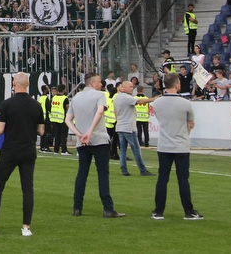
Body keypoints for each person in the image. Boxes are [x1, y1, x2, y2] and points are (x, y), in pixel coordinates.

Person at [0, 72, 44, 238]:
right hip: (28, 150)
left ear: (14, 84)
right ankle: (26, 227)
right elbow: (41, 131)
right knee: (27, 189)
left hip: (10, 150)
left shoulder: (7, 104)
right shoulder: (36, 105)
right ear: (28, 84)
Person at [66, 72, 124, 218]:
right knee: (103, 174)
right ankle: (107, 208)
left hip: (82, 141)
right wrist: (90, 132)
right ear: (92, 83)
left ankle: (77, 207)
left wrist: (80, 134)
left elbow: (67, 119)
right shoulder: (100, 95)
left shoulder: (76, 97)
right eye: (99, 81)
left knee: (82, 173)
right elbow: (99, 112)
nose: (101, 84)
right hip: (98, 139)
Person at [151, 73, 204, 220]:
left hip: (164, 145)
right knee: (183, 179)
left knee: (162, 178)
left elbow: (160, 119)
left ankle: (158, 211)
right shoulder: (185, 103)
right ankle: (188, 211)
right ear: (177, 84)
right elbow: (191, 123)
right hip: (181, 145)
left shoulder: (158, 102)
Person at [112, 80, 154, 177]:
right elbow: (139, 101)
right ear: (123, 88)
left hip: (120, 126)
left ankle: (124, 170)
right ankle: (142, 170)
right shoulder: (127, 97)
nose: (132, 88)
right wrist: (153, 99)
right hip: (128, 127)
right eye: (130, 87)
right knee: (136, 149)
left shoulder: (117, 97)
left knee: (123, 150)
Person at [49, 84, 70, 155]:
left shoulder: (54, 97)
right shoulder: (65, 98)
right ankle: (64, 150)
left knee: (57, 135)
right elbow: (68, 109)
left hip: (55, 118)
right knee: (63, 135)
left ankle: (56, 149)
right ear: (64, 90)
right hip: (62, 119)